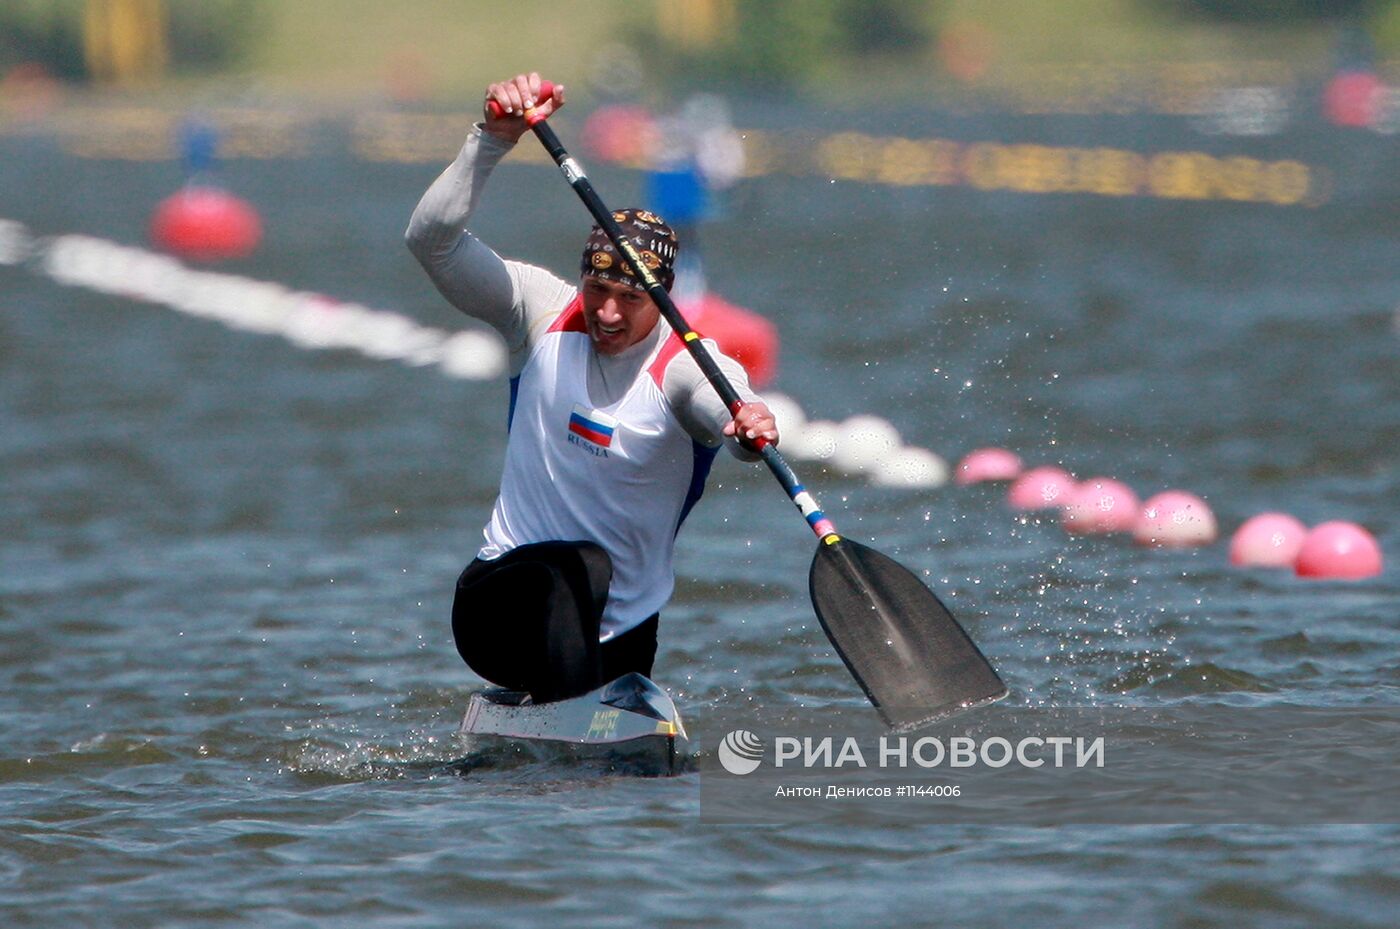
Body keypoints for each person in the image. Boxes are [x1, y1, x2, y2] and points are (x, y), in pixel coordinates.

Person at [405, 72, 779, 704]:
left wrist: (749, 425)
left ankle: (575, 723)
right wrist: (491, 140)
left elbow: (728, 412)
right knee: (580, 565)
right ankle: (568, 717)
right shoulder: (541, 311)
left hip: (623, 632)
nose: (607, 313)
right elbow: (431, 243)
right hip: (500, 608)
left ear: (662, 300)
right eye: (597, 289)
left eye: (630, 299)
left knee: (603, 597)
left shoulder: (689, 366)